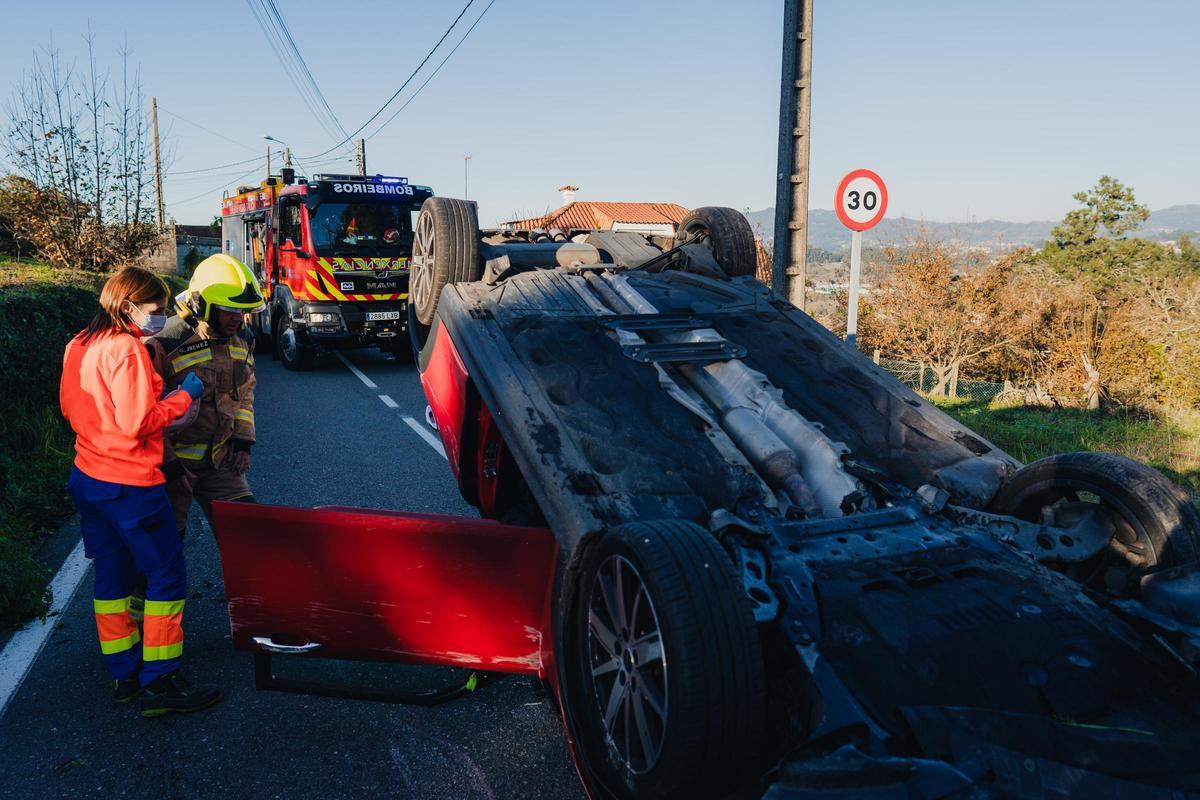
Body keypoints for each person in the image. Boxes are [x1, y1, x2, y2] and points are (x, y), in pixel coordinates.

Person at [59, 266, 221, 716]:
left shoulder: (79, 343)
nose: (162, 316)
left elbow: (71, 407)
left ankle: (125, 675)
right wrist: (183, 397)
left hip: (89, 478)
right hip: (132, 485)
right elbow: (139, 423)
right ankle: (161, 681)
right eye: (158, 309)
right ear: (129, 306)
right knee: (165, 578)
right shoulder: (127, 350)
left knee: (111, 582)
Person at [147, 254, 264, 537]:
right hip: (169, 467)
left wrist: (243, 441)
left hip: (220, 463)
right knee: (162, 554)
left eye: (243, 311)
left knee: (250, 538)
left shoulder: (243, 339)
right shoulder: (164, 342)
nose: (239, 318)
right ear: (202, 305)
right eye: (229, 310)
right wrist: (171, 467)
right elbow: (144, 413)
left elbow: (245, 393)